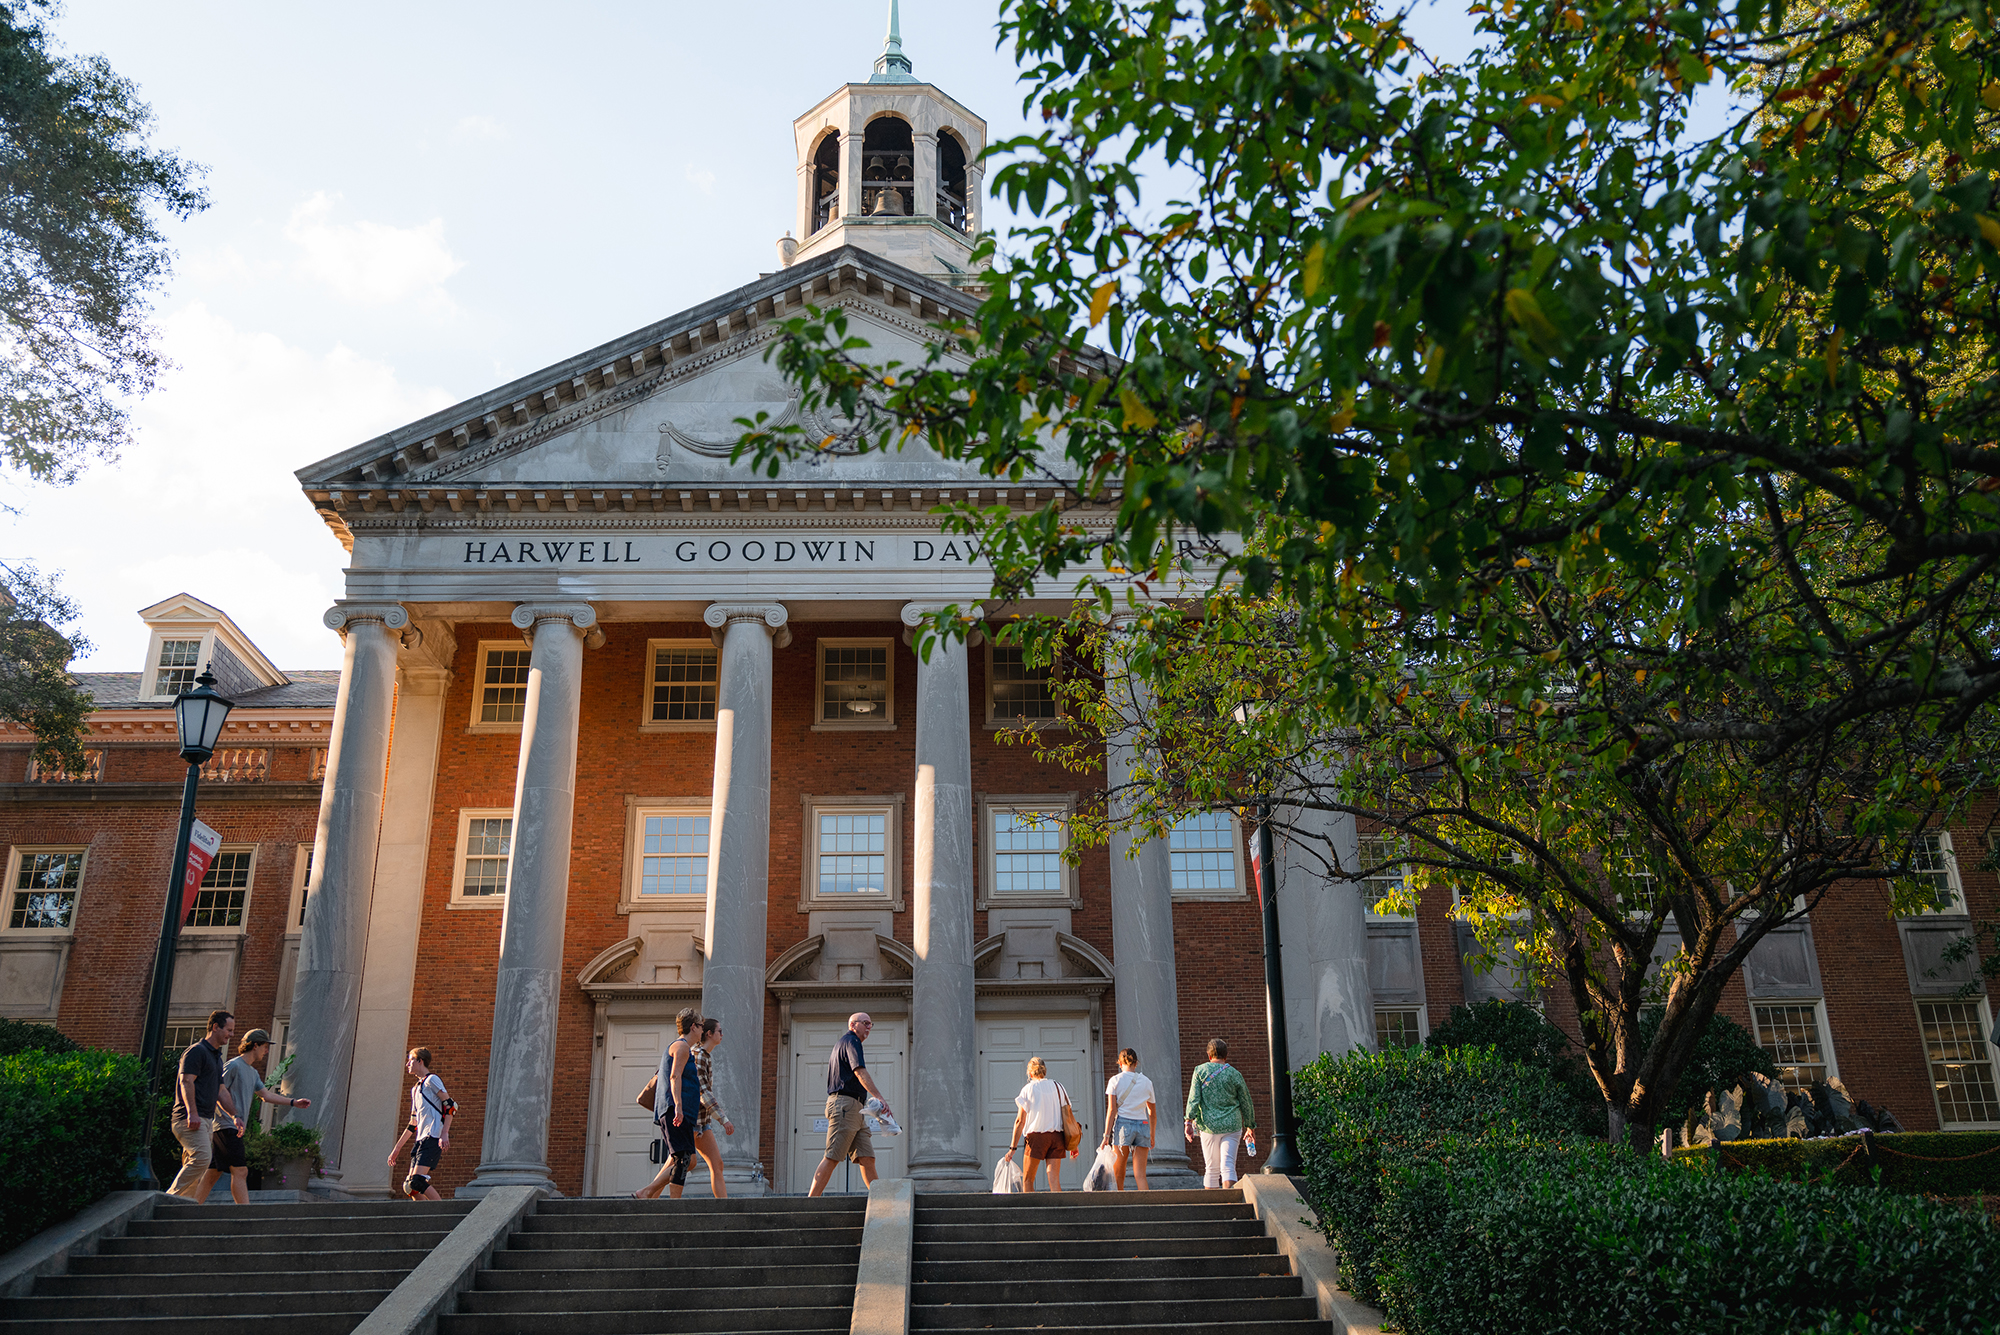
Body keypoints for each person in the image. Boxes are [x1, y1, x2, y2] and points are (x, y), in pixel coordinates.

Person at [196, 1028, 310, 1204]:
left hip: (232, 1126)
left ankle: (192, 1205)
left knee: (214, 1172)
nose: (267, 1051)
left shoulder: (253, 1072)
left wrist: (294, 1102)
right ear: (255, 1045)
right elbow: (217, 1091)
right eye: (265, 1046)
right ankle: (245, 1213)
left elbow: (266, 1095)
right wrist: (231, 1115)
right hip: (226, 1125)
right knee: (241, 1172)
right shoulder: (233, 1066)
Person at [807, 1012, 894, 1196]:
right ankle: (810, 1202)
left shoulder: (846, 1043)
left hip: (855, 1109)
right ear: (853, 1025)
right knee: (832, 1156)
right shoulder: (851, 1041)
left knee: (867, 1157)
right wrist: (879, 1097)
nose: (869, 1027)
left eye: (871, 1023)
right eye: (865, 1023)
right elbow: (860, 1071)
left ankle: (879, 1201)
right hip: (845, 1106)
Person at [168, 1010, 241, 1197]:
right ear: (215, 1027)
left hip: (206, 1120)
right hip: (189, 1118)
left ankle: (182, 1206)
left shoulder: (216, 1058)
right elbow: (186, 1081)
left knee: (196, 1166)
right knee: (202, 1159)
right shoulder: (196, 1052)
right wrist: (192, 1113)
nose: (231, 1035)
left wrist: (235, 1115)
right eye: (229, 1030)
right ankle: (169, 1198)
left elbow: (221, 1092)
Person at [635, 1008, 702, 1200]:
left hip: (681, 1110)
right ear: (693, 1027)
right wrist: (679, 1107)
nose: (702, 1030)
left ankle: (648, 1191)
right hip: (674, 1109)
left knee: (690, 1161)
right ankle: (671, 1203)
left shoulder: (683, 1048)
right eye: (701, 1026)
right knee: (683, 1159)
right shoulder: (680, 1047)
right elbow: (675, 1076)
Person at [1184, 1038, 1256, 1189]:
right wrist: (1250, 1126)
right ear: (1226, 1056)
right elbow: (1246, 1102)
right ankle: (1230, 1204)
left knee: (1211, 1168)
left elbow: (1193, 1099)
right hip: (1232, 1124)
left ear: (1209, 1056)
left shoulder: (1200, 1071)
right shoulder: (1234, 1074)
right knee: (1228, 1166)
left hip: (1208, 1126)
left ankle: (1213, 1207)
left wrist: (1189, 1121)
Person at [1002, 1055, 1075, 1193]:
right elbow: (1069, 1115)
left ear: (1030, 1073)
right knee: (1054, 1180)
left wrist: (1013, 1148)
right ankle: (1060, 1212)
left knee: (1028, 1180)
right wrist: (1073, 1143)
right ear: (1044, 1071)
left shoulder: (1028, 1089)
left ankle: (1032, 1213)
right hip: (1057, 1137)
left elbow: (1020, 1121)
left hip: (1036, 1137)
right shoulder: (1058, 1086)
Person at [387, 1047, 453, 1200]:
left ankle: (441, 1214)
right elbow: (413, 1123)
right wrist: (397, 1149)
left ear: (420, 1061)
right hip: (420, 1139)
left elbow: (450, 1106)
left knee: (418, 1181)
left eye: (410, 1060)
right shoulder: (416, 1089)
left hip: (433, 1136)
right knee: (410, 1187)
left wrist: (444, 1133)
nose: (407, 1064)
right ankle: (425, 1216)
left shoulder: (432, 1080)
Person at [691, 1016, 735, 1197]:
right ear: (709, 1034)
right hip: (692, 1119)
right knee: (682, 1163)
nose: (722, 1035)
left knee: (717, 1164)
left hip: (702, 1121)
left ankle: (724, 1210)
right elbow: (703, 1092)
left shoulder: (704, 1056)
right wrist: (723, 1119)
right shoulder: (700, 1055)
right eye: (719, 1031)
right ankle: (647, 1194)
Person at [1100, 1047, 1157, 1191]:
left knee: (1119, 1173)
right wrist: (1152, 1134)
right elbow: (1152, 1112)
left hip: (1123, 1125)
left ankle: (1121, 1207)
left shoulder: (1115, 1080)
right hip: (1143, 1125)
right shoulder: (1146, 1081)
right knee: (1140, 1175)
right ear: (1136, 1063)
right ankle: (1147, 1208)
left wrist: (1106, 1136)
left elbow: (1112, 1110)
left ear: (1119, 1063)